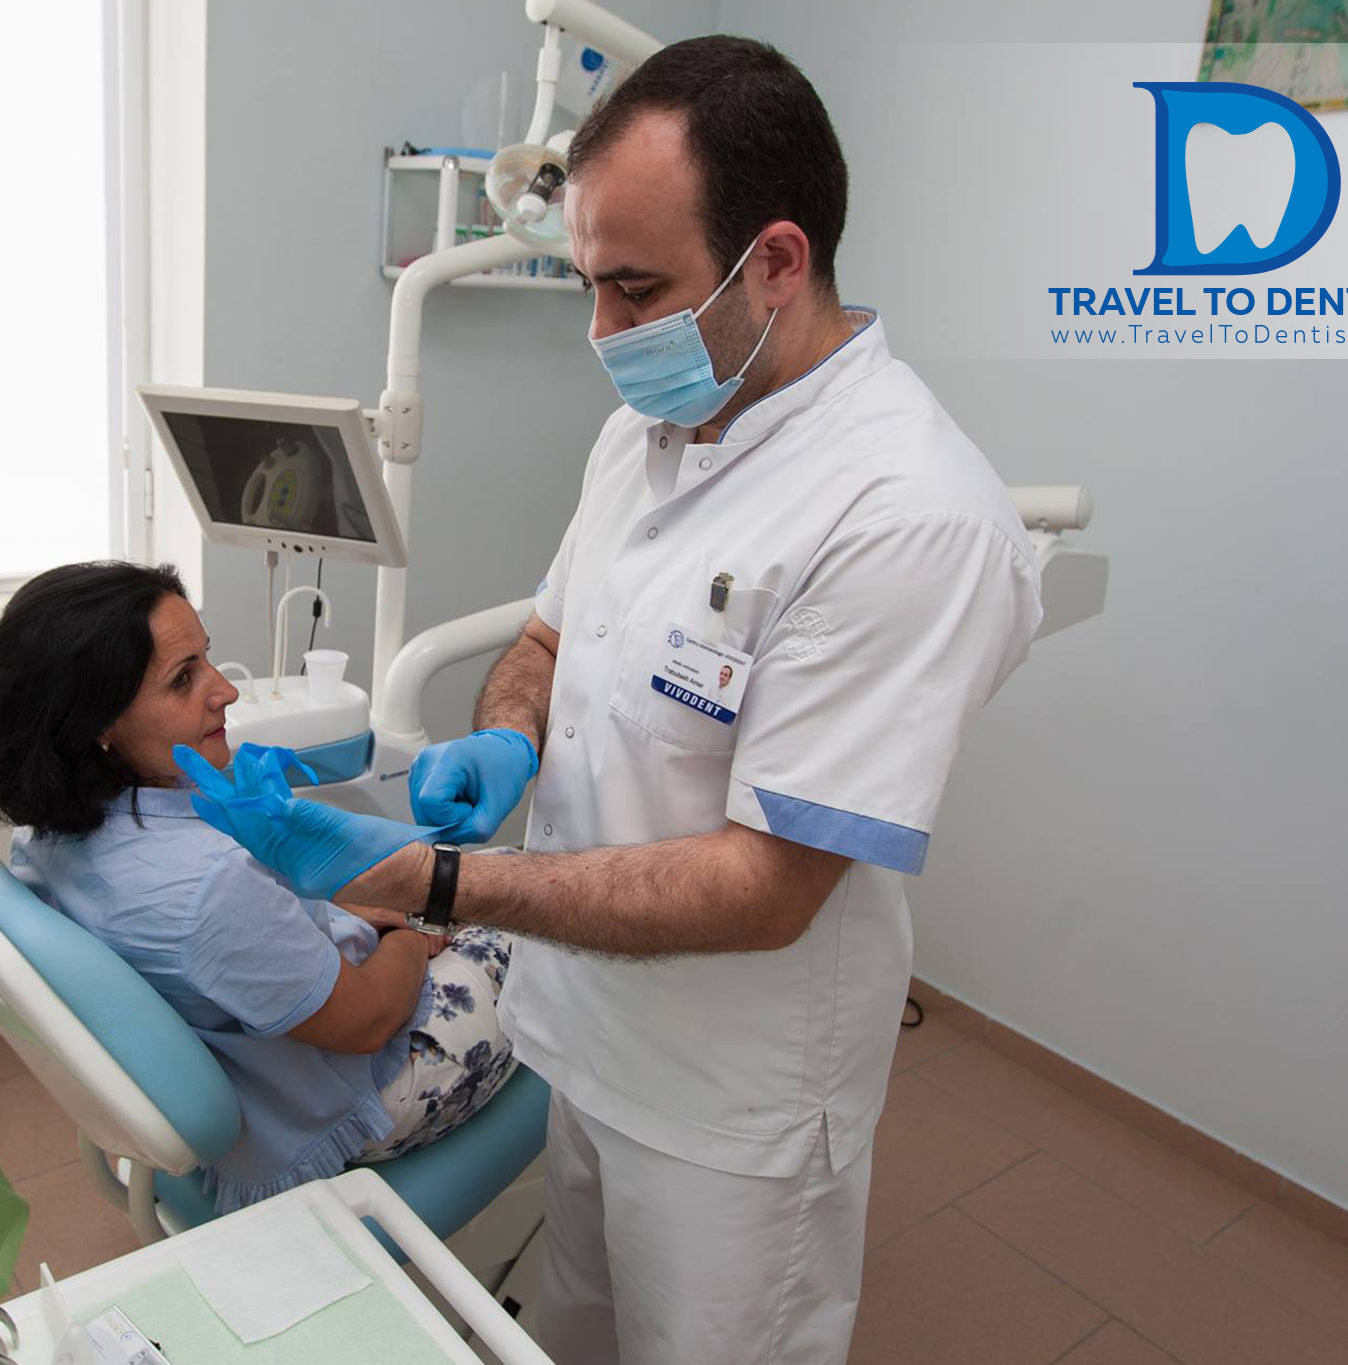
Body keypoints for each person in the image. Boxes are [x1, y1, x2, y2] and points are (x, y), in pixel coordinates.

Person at [185, 35, 1042, 1365]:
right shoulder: (640, 434)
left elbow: (764, 888)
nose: (600, 334)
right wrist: (506, 733)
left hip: (730, 1101)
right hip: (578, 1028)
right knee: (575, 1331)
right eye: (590, 284)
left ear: (776, 260)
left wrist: (431, 880)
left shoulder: (908, 515)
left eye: (635, 290)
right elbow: (547, 632)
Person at [0, 561, 517, 1212]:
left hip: (261, 1071)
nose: (226, 691)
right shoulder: (208, 886)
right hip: (366, 1096)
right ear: (98, 724)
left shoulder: (47, 840)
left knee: (479, 881)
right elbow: (368, 1022)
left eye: (207, 658)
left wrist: (355, 905)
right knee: (528, 899)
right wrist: (416, 926)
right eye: (183, 679)